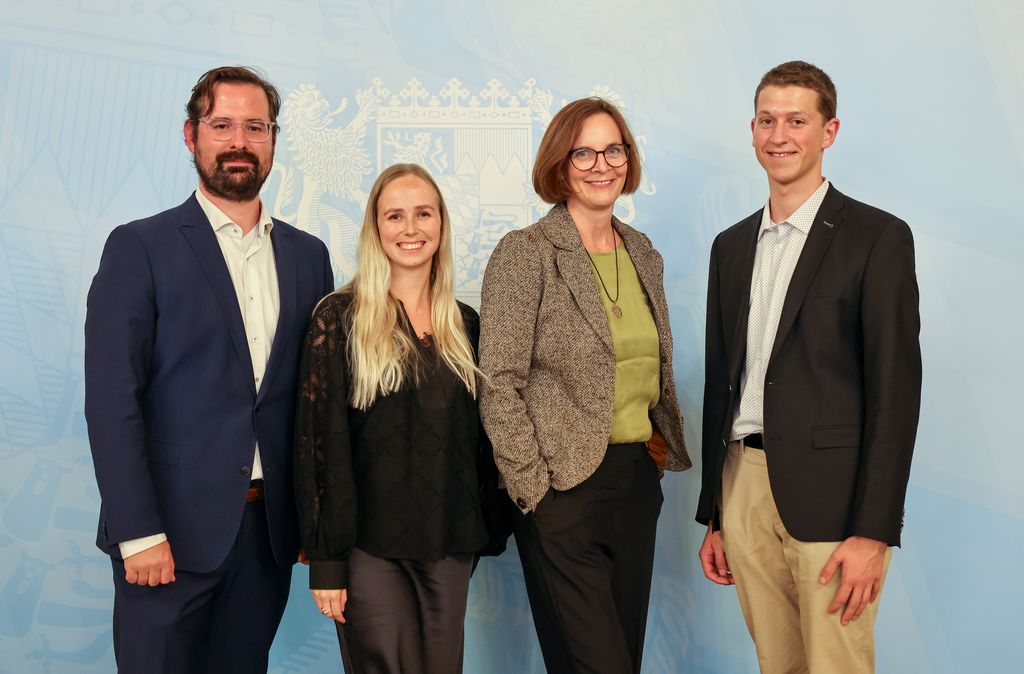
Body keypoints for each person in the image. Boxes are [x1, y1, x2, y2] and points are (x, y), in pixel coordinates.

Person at [84, 66, 334, 673]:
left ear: (274, 140)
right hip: (165, 536)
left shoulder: (309, 256)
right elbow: (112, 399)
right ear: (191, 136)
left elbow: (312, 404)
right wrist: (136, 532)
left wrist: (312, 519)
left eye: (256, 126)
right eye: (222, 125)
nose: (240, 141)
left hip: (267, 536)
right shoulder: (139, 247)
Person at [695, 60, 922, 674]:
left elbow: (894, 396)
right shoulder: (730, 246)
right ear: (751, 130)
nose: (780, 135)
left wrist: (874, 532)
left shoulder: (878, 238)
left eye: (798, 120)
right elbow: (724, 383)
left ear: (830, 131)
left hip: (834, 498)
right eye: (767, 120)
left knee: (836, 666)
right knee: (778, 665)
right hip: (743, 486)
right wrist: (715, 514)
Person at [479, 97, 690, 674]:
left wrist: (652, 455)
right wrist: (535, 490)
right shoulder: (526, 252)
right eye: (584, 152)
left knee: (622, 655)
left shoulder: (644, 254)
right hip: (561, 489)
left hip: (636, 482)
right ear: (560, 163)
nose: (602, 164)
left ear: (629, 157)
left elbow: (650, 370)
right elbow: (497, 381)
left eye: (613, 149)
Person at [294, 163, 509, 674]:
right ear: (375, 228)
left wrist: (486, 529)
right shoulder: (338, 318)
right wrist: (327, 561)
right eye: (395, 215)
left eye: (423, 213)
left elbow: (479, 443)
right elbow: (319, 442)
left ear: (441, 224)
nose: (410, 228)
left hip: (450, 545)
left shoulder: (467, 324)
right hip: (367, 548)